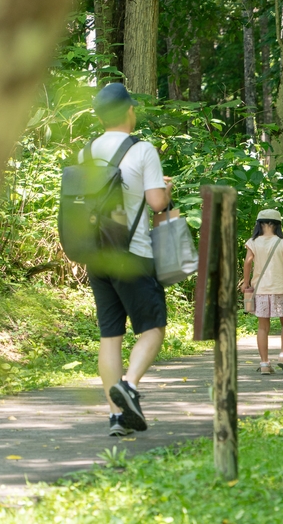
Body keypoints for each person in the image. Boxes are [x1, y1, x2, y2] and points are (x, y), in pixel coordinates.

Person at [84, 83, 173, 437]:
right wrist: (166, 190)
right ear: (127, 112)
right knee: (152, 328)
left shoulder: (87, 152)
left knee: (110, 336)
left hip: (96, 256)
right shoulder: (142, 149)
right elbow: (157, 203)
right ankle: (130, 386)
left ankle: (116, 417)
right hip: (132, 253)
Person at [241, 209, 283, 374]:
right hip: (281, 289)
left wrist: (246, 282)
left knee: (263, 327)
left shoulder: (253, 242)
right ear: (278, 225)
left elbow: (247, 262)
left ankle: (265, 363)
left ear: (259, 224)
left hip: (261, 290)